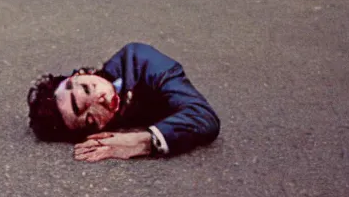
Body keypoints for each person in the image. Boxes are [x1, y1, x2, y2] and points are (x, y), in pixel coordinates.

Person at [27, 42, 220, 162]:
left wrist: (145, 140)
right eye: (91, 119)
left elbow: (204, 117)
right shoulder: (107, 125)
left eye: (87, 89)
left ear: (83, 74)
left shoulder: (140, 61)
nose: (99, 100)